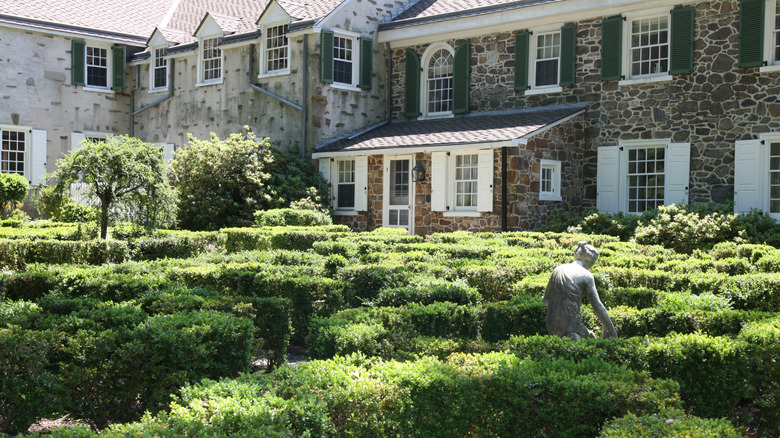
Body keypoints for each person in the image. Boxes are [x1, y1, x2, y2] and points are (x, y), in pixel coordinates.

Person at [543, 241, 617, 341]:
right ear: (590, 261)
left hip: (551, 325)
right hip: (571, 325)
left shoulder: (558, 269)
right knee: (593, 341)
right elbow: (597, 306)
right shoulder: (586, 275)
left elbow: (546, 301)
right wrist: (611, 330)